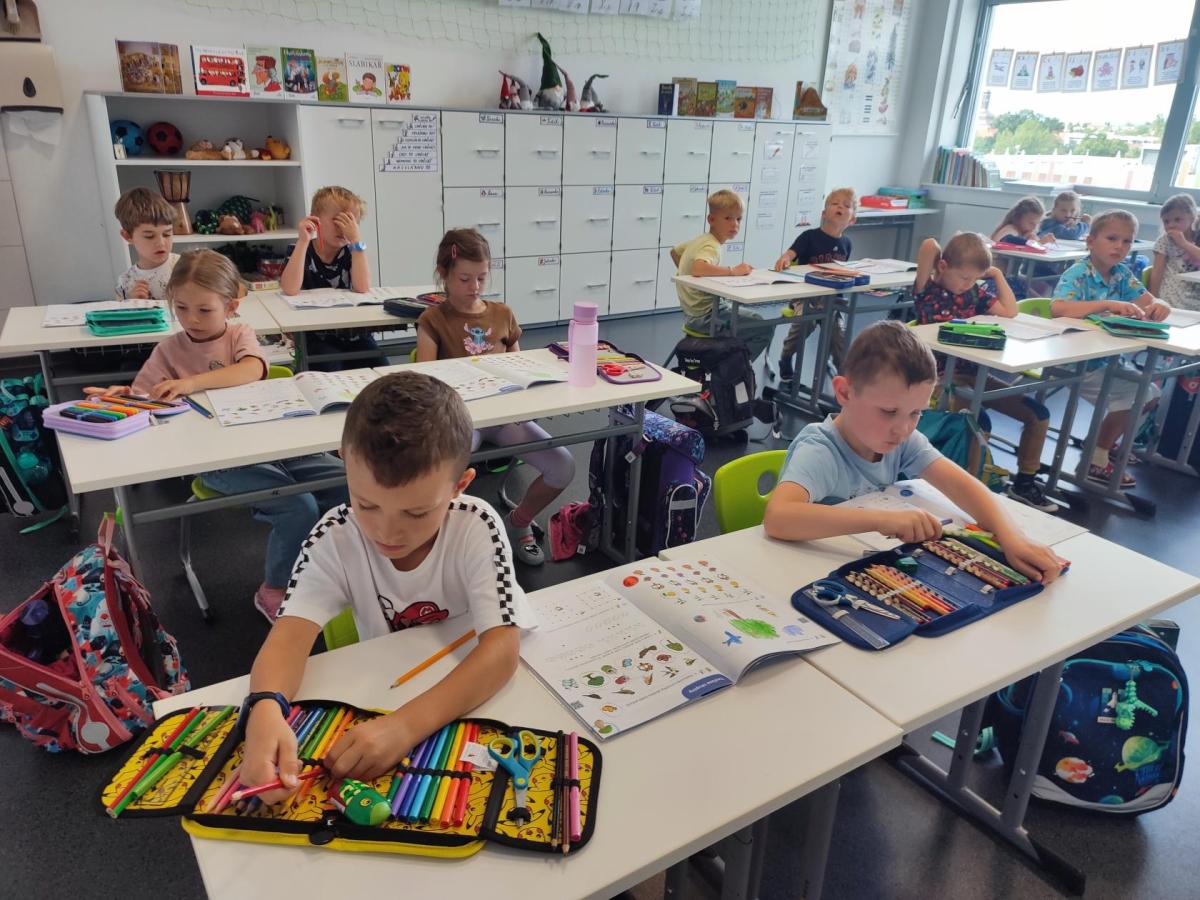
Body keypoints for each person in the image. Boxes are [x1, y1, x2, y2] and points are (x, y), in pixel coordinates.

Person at [237, 372, 533, 803]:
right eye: (367, 504)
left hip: (469, 694)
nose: (386, 532)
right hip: (390, 690)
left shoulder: (476, 525)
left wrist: (405, 726)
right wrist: (264, 707)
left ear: (460, 486)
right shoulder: (334, 537)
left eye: (416, 513)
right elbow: (287, 638)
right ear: (344, 461)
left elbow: (502, 652)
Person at [87, 249, 347, 620]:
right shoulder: (168, 350)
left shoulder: (240, 334)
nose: (191, 319)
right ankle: (274, 588)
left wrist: (190, 383)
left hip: (271, 446)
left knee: (346, 481)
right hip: (219, 462)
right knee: (298, 506)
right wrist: (121, 396)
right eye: (181, 308)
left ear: (231, 306)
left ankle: (332, 566)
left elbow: (252, 369)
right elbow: (144, 395)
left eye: (204, 310)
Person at [762, 320, 1067, 583]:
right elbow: (778, 517)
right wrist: (880, 520)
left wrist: (1012, 536)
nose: (903, 428)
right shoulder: (820, 450)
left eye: (916, 413)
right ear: (844, 392)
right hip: (804, 574)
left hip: (863, 569)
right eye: (889, 411)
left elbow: (962, 485)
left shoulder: (900, 440)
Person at [416, 229, 575, 566]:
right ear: (443, 273)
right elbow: (427, 385)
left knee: (563, 467)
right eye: (464, 278)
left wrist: (528, 399)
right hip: (462, 421)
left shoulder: (503, 314)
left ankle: (518, 523)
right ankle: (448, 541)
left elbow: (520, 370)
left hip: (504, 419)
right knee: (436, 476)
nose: (474, 286)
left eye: (482, 277)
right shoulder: (432, 320)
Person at [911, 234, 1055, 511]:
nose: (968, 284)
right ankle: (974, 493)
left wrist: (997, 274)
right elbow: (929, 244)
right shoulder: (926, 291)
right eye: (964, 277)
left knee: (1038, 414)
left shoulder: (974, 294)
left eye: (975, 279)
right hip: (941, 380)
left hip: (974, 376)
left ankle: (1024, 484)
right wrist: (945, 261)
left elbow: (1010, 311)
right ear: (943, 267)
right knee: (980, 423)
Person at [1051, 209, 1171, 487]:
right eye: (1112, 238)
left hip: (1106, 359)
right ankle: (1095, 459)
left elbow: (1149, 300)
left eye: (1127, 241)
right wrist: (1106, 304)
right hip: (1075, 360)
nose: (1120, 246)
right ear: (1091, 241)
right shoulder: (1078, 273)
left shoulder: (1121, 274)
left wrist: (1160, 305)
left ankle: (1103, 444)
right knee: (1138, 394)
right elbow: (1058, 308)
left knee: (1151, 394)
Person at [280, 185, 385, 370]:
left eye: (349, 222)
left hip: (354, 333)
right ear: (315, 220)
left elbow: (362, 287)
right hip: (315, 335)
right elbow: (290, 289)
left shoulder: (353, 251)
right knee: (330, 365)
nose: (342, 229)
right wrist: (303, 241)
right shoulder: (300, 250)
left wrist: (356, 242)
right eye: (336, 220)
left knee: (381, 367)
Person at [671, 189, 772, 364]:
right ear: (711, 220)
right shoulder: (712, 246)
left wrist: (689, 281)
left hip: (692, 314)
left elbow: (675, 252)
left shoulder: (701, 240)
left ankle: (730, 362)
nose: (735, 224)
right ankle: (734, 370)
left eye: (738, 219)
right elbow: (698, 267)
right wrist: (732, 271)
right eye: (728, 218)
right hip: (706, 317)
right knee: (763, 327)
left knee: (750, 319)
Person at [771, 187, 856, 385]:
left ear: (853, 219)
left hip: (833, 300)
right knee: (804, 324)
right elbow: (790, 254)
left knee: (839, 336)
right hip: (806, 296)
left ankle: (844, 375)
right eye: (835, 203)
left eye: (846, 205)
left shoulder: (847, 243)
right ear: (824, 213)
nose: (840, 207)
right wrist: (785, 258)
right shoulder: (809, 236)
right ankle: (786, 357)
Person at [113, 187, 179, 301]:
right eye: (149, 236)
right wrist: (131, 301)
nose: (161, 243)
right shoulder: (125, 283)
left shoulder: (186, 268)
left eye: (167, 234)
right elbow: (120, 311)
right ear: (128, 236)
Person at [1149, 193, 1200, 311]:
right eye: (1166, 221)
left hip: (1196, 296)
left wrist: (1184, 243)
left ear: (1192, 217)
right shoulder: (1164, 241)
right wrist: (1153, 299)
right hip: (1172, 298)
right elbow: (1156, 273)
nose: (1171, 225)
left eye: (1177, 220)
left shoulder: (1197, 236)